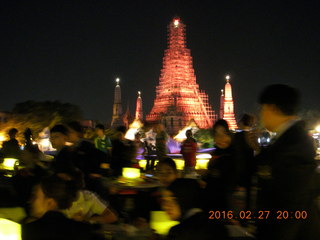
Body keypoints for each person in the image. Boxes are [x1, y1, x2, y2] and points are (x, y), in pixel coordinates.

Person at [255, 84, 320, 240]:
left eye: (263, 109)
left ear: (273, 108)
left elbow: (293, 206)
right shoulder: (286, 138)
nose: (261, 114)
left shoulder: (294, 143)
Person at [22, 175, 104, 240]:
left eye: (34, 196)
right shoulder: (82, 230)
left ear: (50, 202)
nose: (29, 201)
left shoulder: (30, 231)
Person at [162, 178, 228, 240]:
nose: (166, 207)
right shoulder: (217, 225)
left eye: (174, 200)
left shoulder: (178, 232)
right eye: (165, 201)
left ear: (185, 199)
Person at [202, 119, 237, 212]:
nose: (220, 138)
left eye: (224, 133)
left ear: (230, 135)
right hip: (211, 204)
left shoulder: (234, 155)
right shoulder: (216, 154)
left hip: (226, 208)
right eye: (217, 135)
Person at [232, 114, 257, 211]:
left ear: (242, 123)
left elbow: (233, 152)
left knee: (233, 193)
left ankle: (233, 213)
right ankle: (247, 213)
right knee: (249, 194)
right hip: (249, 168)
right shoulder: (252, 136)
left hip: (237, 168)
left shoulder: (237, 136)